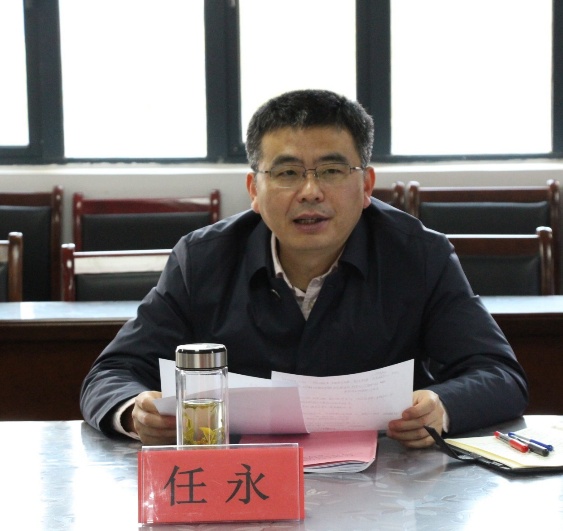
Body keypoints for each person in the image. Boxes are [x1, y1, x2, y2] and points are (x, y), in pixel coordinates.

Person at [80, 89, 528, 448]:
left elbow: (499, 373)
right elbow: (111, 372)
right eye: (288, 173)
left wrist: (440, 405)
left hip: (388, 485)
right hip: (240, 484)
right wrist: (133, 411)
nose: (311, 191)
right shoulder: (202, 260)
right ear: (254, 190)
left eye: (332, 171)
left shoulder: (419, 255)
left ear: (366, 185)